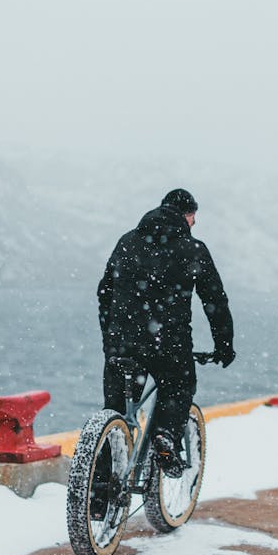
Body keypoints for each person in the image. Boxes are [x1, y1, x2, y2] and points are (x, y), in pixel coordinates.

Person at [97, 188, 235, 476]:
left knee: (115, 418)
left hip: (122, 346)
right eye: (193, 218)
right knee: (179, 385)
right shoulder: (193, 249)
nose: (194, 224)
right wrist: (224, 346)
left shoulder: (128, 241)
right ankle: (165, 438)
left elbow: (105, 292)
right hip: (167, 345)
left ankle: (98, 497)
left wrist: (110, 342)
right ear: (187, 215)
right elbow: (215, 302)